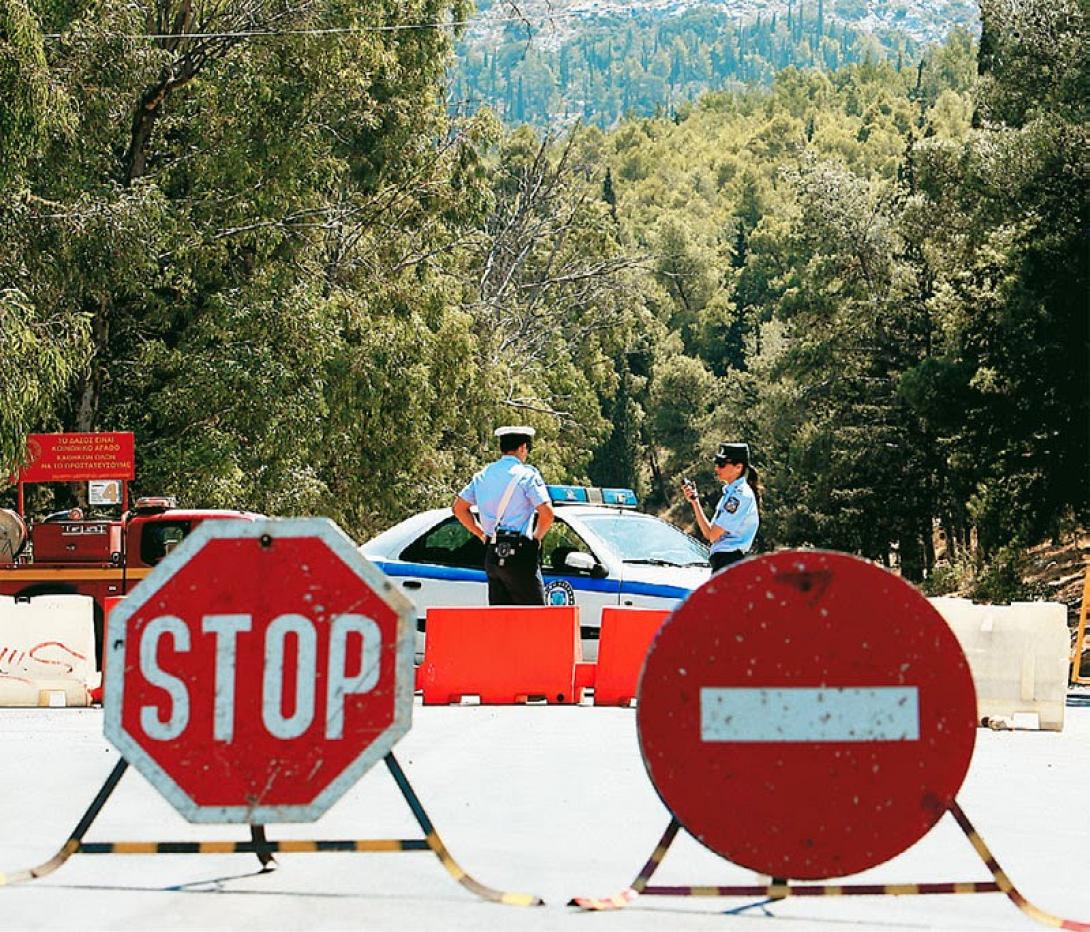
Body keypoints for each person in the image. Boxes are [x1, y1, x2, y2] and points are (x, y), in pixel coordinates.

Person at [453, 426, 555, 605]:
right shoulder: (527, 476)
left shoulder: (482, 475)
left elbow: (459, 509)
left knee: (501, 620)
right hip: (520, 552)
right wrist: (536, 540)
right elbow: (547, 514)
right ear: (523, 447)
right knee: (536, 620)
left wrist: (482, 534)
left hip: (493, 553)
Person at [682, 441, 761, 572]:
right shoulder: (730, 494)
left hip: (729, 561)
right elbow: (709, 534)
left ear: (738, 467)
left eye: (722, 464)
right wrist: (695, 502)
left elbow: (713, 536)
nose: (717, 469)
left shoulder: (739, 496)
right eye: (717, 464)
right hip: (722, 561)